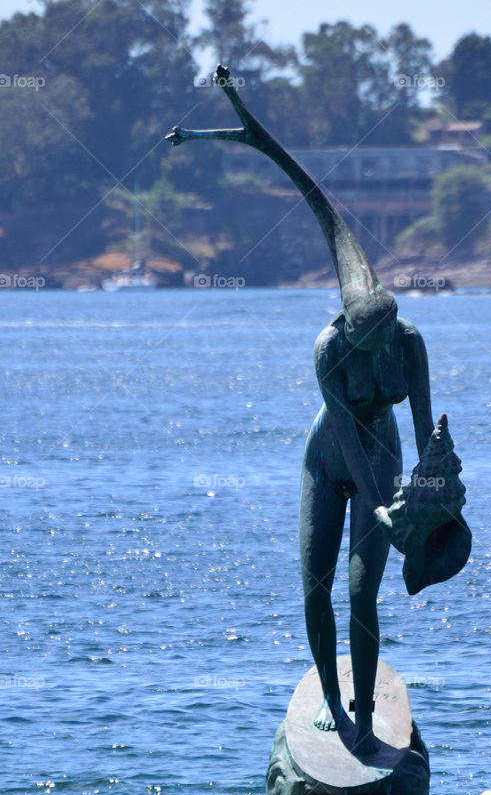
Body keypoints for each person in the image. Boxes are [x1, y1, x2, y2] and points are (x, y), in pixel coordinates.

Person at [167, 69, 452, 756]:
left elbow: (418, 432)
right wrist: (377, 505)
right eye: (355, 335)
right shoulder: (327, 350)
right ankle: (332, 701)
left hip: (379, 459)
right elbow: (348, 444)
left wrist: (425, 491)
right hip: (329, 461)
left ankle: (362, 703)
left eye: (372, 339)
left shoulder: (409, 346)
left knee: (362, 592)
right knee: (314, 587)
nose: (363, 346)